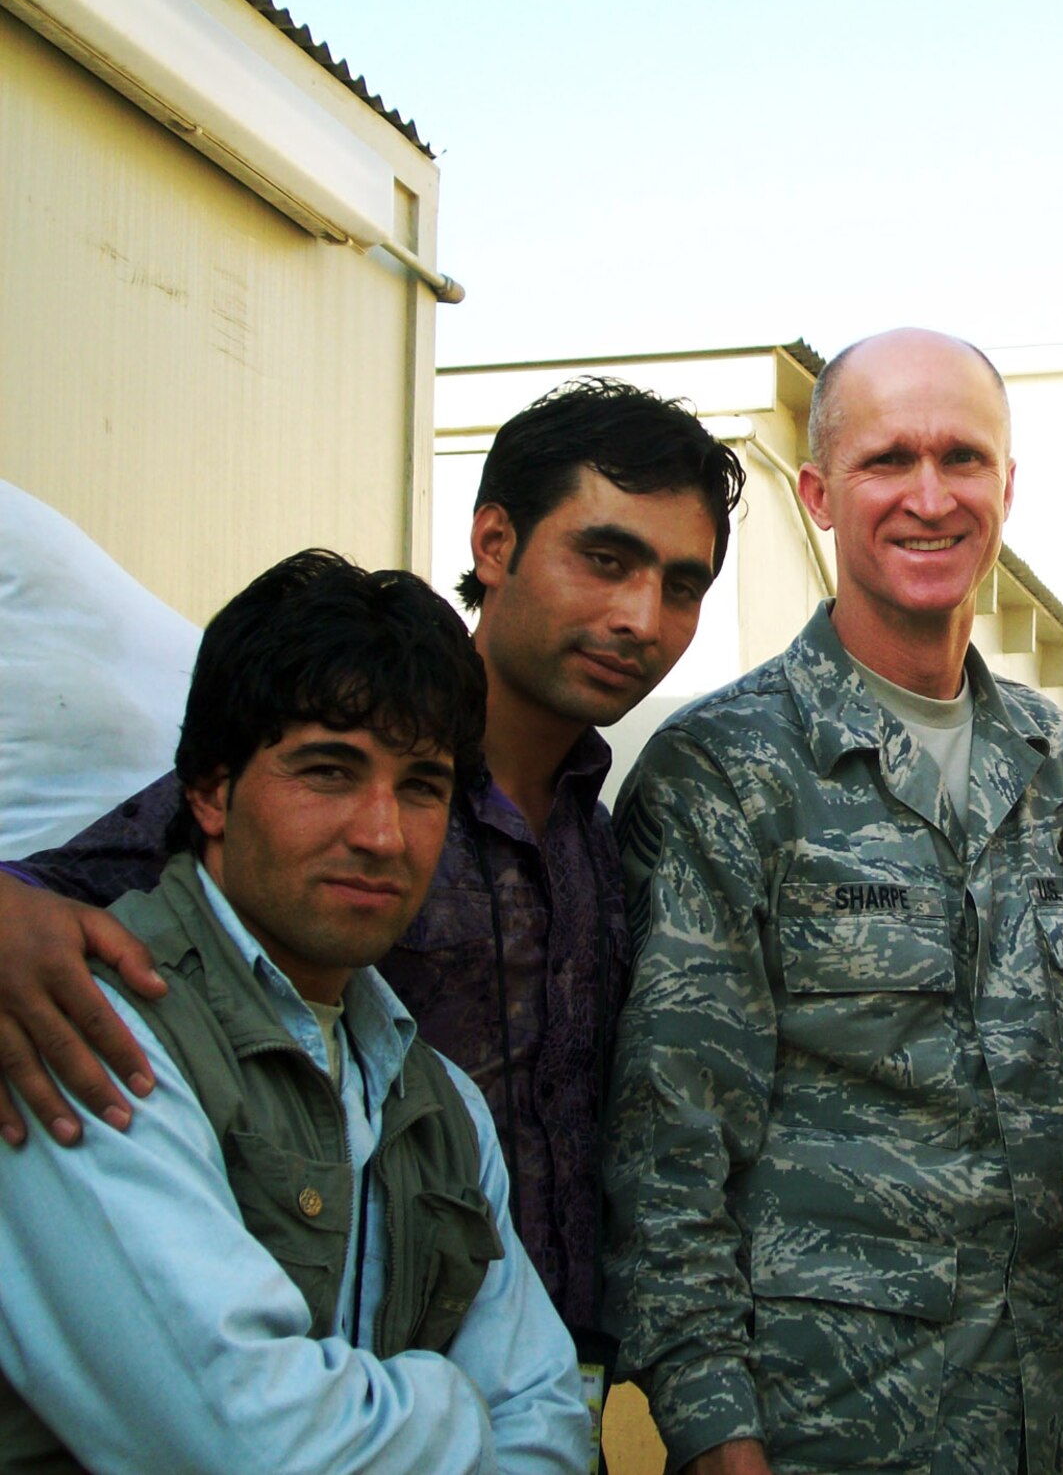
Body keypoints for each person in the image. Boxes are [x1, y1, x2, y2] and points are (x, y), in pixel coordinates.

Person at [0, 377, 745, 1367]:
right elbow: (64, 893)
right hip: (304, 1384)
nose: (640, 617)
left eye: (681, 586)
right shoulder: (336, 782)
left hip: (544, 1397)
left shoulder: (601, 842)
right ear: (494, 544)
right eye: (604, 560)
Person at [603, 328, 1063, 1475]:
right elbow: (666, 1147)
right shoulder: (726, 774)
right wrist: (711, 1434)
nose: (929, 497)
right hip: (829, 1428)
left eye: (963, 459)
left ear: (1006, 488)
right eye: (888, 461)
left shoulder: (1058, 766)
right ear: (821, 494)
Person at [0, 550, 591, 1473]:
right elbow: (242, 1441)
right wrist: (455, 1403)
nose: (381, 834)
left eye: (422, 786)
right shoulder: (83, 1022)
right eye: (328, 771)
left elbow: (550, 1423)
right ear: (207, 789)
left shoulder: (437, 1103)